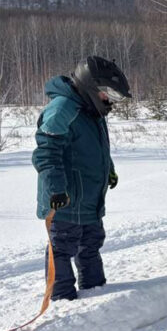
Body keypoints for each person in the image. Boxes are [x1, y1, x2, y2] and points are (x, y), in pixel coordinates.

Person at [32, 56, 131, 301]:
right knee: (62, 248)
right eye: (109, 94)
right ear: (90, 86)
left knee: (91, 243)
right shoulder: (63, 108)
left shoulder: (91, 109)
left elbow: (98, 147)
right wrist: (56, 189)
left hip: (88, 197)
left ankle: (96, 293)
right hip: (65, 200)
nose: (110, 101)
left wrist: (108, 169)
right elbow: (46, 152)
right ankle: (62, 301)